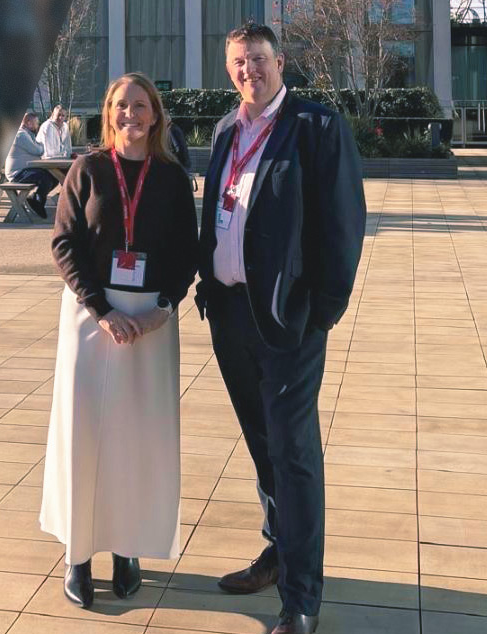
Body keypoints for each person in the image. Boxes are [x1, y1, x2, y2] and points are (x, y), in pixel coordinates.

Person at [194, 22, 365, 634]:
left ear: (280, 61)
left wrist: (321, 313)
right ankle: (278, 552)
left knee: (293, 455)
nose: (249, 70)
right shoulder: (225, 129)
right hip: (231, 316)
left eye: (258, 59)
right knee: (263, 447)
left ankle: (301, 599)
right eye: (239, 62)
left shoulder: (316, 126)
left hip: (289, 322)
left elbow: (343, 223)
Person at [40, 73, 198, 609]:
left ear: (155, 115)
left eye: (140, 105)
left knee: (137, 440)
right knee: (84, 435)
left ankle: (127, 549)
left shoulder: (172, 178)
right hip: (92, 318)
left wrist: (163, 307)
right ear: (108, 114)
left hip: (151, 321)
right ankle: (78, 555)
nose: (130, 114)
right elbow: (64, 244)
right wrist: (102, 310)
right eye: (120, 105)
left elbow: (187, 251)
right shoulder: (88, 169)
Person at [4, 112, 57, 218]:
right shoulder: (21, 135)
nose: (38, 125)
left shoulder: (27, 134)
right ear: (28, 122)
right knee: (45, 177)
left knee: (54, 176)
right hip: (17, 174)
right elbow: (38, 151)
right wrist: (42, 145)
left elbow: (37, 148)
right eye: (36, 123)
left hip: (24, 170)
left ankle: (35, 199)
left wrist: (39, 146)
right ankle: (38, 203)